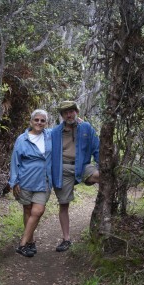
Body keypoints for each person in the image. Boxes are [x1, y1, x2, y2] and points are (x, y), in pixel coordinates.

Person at [52, 100, 100, 252]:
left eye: (71, 111)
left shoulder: (86, 127)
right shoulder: (55, 132)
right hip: (63, 168)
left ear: (76, 112)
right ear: (62, 115)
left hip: (83, 165)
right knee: (64, 204)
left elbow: (97, 148)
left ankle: (103, 209)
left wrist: (100, 164)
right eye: (65, 112)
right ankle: (66, 239)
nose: (69, 114)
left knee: (100, 176)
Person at [9, 109, 52, 257]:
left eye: (42, 120)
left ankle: (22, 244)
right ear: (31, 121)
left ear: (46, 123)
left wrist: (78, 122)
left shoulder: (50, 136)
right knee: (27, 210)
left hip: (43, 180)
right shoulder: (22, 139)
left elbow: (63, 131)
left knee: (38, 211)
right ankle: (30, 242)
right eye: (37, 120)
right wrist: (14, 181)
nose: (39, 123)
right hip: (25, 180)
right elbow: (15, 161)